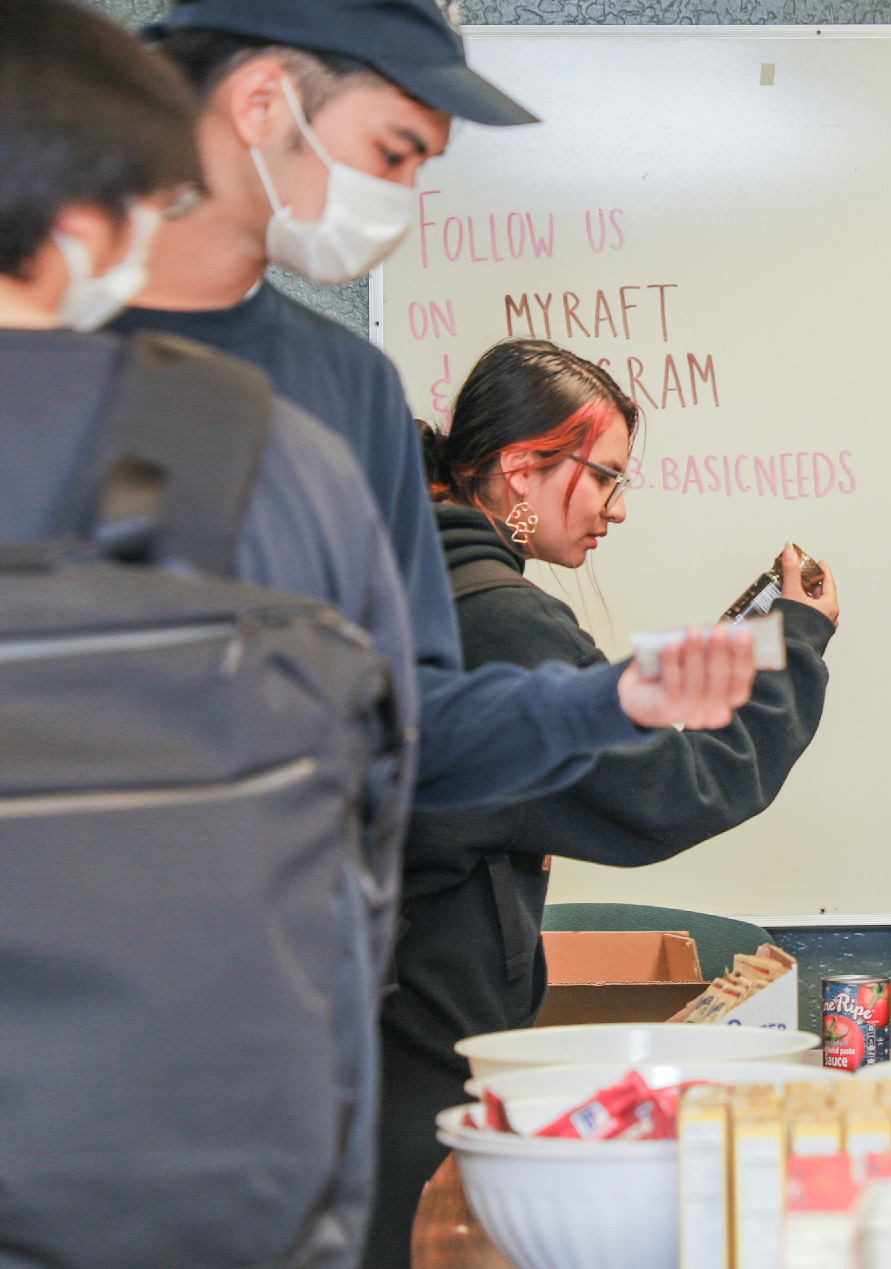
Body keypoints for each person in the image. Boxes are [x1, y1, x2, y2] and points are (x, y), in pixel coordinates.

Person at [110, 0, 728, 809]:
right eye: (391, 152)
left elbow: (413, 730)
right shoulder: (44, 348)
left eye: (420, 167)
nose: (400, 200)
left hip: (282, 922)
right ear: (262, 104)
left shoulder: (350, 386)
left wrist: (606, 701)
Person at [368, 340, 839, 1267]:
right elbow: (668, 784)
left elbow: (622, 722)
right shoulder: (500, 618)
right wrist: (800, 642)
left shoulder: (421, 586)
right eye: (605, 477)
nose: (617, 508)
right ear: (519, 469)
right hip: (417, 1060)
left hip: (371, 1036)